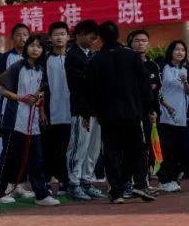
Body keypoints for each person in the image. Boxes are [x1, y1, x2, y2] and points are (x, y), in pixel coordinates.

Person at [86, 21, 156, 203]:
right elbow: (144, 85)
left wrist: (89, 112)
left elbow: (91, 90)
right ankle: (140, 184)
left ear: (100, 37)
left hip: (107, 114)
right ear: (119, 36)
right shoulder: (132, 56)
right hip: (132, 111)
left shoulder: (95, 60)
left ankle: (116, 192)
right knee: (138, 148)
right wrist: (149, 107)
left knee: (112, 151)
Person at [0, 34, 58, 206]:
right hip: (14, 120)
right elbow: (2, 91)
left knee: (37, 158)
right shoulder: (17, 67)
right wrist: (23, 98)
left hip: (33, 120)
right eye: (32, 45)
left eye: (39, 46)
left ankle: (41, 195)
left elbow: (40, 92)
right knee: (9, 157)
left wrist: (41, 109)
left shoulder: (41, 69)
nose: (35, 49)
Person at [65, 20, 104, 200]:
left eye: (95, 38)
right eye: (90, 37)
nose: (93, 41)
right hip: (82, 111)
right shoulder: (73, 56)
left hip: (96, 110)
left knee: (93, 149)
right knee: (79, 147)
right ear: (79, 34)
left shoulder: (91, 55)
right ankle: (73, 183)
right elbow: (79, 86)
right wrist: (84, 111)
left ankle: (86, 181)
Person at [155, 40, 189, 193]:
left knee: (184, 150)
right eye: (177, 49)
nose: (180, 52)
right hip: (164, 116)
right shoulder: (162, 67)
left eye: (183, 50)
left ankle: (174, 176)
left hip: (182, 117)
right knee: (168, 149)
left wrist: (185, 82)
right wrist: (165, 105)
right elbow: (155, 89)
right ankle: (165, 179)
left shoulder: (187, 69)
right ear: (170, 51)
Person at [129, 28, 162, 191]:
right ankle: (133, 181)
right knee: (134, 147)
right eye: (137, 40)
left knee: (147, 145)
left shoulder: (153, 65)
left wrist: (154, 111)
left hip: (149, 114)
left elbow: (156, 91)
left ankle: (144, 180)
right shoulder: (126, 64)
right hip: (131, 113)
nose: (140, 43)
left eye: (143, 40)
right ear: (131, 43)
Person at [42, 22, 72, 194]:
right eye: (56, 34)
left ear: (68, 37)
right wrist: (41, 110)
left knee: (67, 148)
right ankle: (46, 181)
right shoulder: (45, 60)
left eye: (62, 33)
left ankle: (64, 181)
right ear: (50, 38)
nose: (59, 37)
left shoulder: (73, 57)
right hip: (50, 112)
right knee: (49, 148)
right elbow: (41, 87)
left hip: (70, 111)